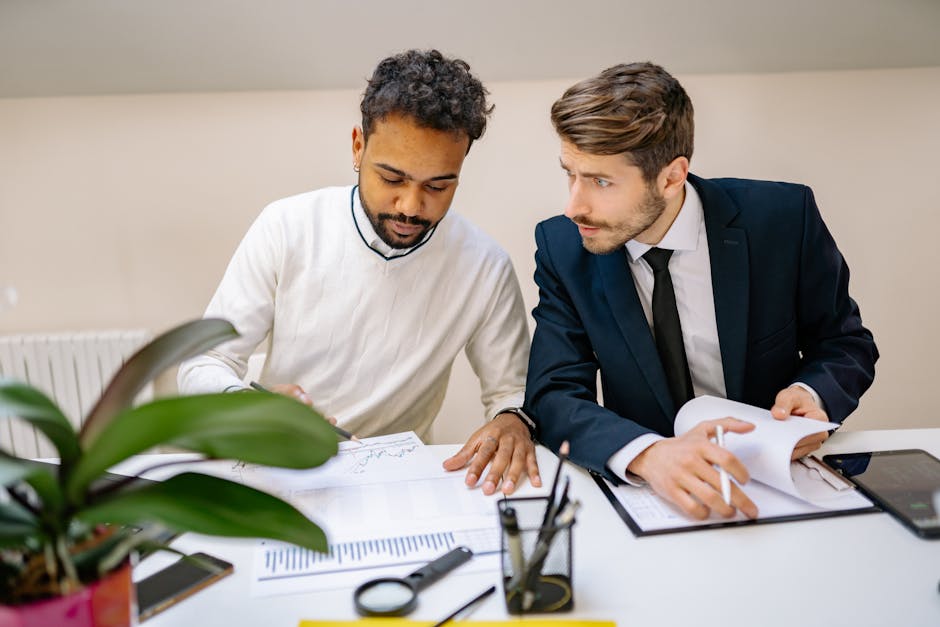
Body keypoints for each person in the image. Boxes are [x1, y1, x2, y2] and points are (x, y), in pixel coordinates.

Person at [524, 62, 878, 519]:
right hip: (650, 493)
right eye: (570, 173)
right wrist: (648, 455)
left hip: (779, 481)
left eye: (601, 181)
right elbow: (553, 394)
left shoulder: (783, 220)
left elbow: (845, 343)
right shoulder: (562, 247)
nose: (574, 205)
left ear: (672, 177)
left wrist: (814, 394)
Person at [179, 49, 539, 495]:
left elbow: (513, 393)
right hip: (273, 469)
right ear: (357, 146)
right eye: (392, 179)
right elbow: (204, 362)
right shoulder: (287, 227)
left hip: (395, 484)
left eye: (437, 186)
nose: (411, 206)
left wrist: (511, 421)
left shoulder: (485, 266)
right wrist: (249, 407)